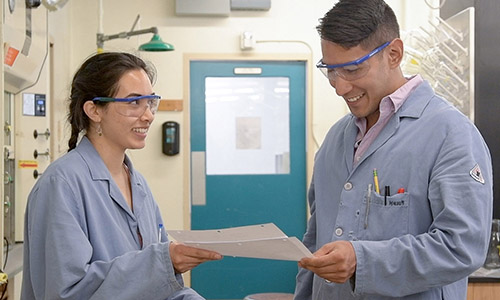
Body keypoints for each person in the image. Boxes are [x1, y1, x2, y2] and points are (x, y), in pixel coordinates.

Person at [294, 0, 493, 299]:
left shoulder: (450, 134)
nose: (340, 87)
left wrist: (362, 260)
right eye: (331, 71)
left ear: (394, 54)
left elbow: (462, 247)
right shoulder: (336, 139)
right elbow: (315, 241)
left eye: (352, 69)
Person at [22, 52, 222, 300]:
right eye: (133, 102)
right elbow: (67, 293)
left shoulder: (138, 185)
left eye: (150, 102)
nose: (148, 115)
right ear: (94, 110)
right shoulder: (62, 185)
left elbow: (159, 289)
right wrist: (162, 262)